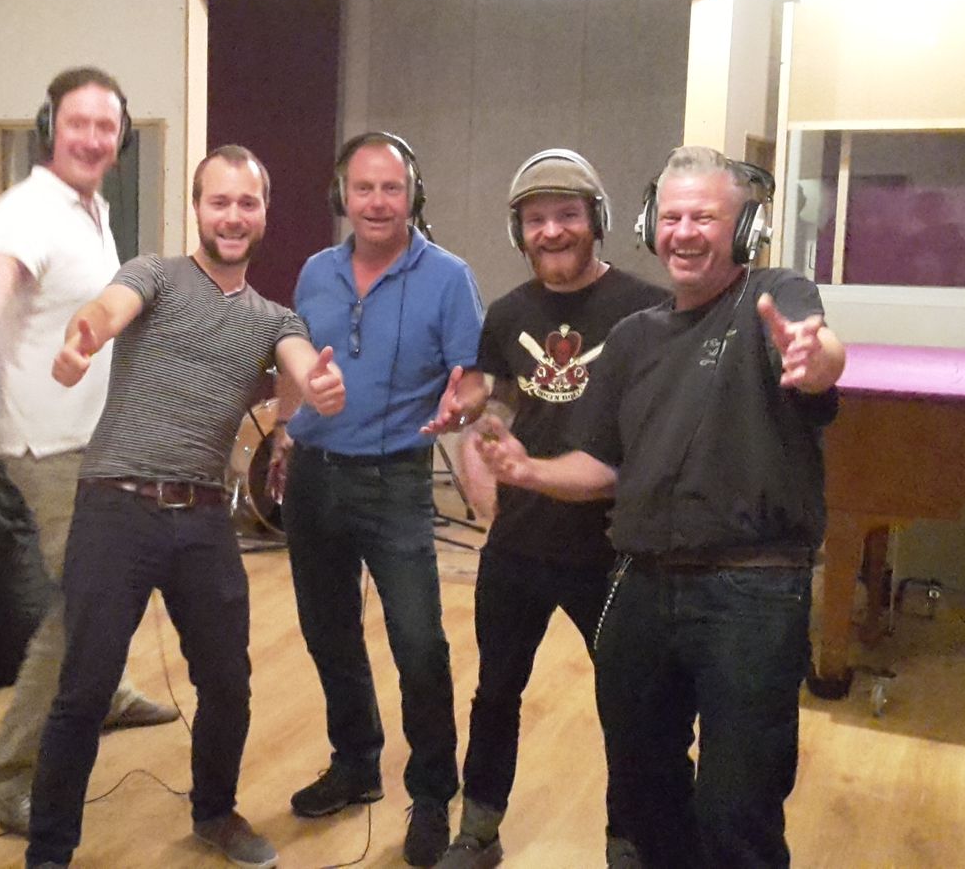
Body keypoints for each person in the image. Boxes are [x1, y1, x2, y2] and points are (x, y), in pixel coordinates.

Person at [473, 145, 845, 868]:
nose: (684, 232)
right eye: (671, 217)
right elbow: (603, 465)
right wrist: (528, 471)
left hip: (753, 592)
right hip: (640, 587)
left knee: (737, 808)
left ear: (744, 229)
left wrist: (815, 358)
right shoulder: (634, 338)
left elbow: (819, 353)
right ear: (648, 225)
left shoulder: (776, 295)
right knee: (646, 796)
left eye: (704, 217)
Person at [24, 145, 345, 869]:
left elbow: (300, 367)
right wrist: (84, 336)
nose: (232, 216)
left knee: (228, 683)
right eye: (218, 201)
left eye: (246, 203)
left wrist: (318, 390)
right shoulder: (155, 275)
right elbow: (107, 311)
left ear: (264, 214)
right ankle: (49, 851)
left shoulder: (275, 319)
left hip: (202, 516)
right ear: (197, 208)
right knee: (85, 687)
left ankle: (215, 813)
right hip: (116, 504)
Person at [0, 66, 176, 836]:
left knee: (114, 583)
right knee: (82, 607)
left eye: (107, 126)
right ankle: (8, 775)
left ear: (122, 137)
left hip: (98, 436)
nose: (93, 138)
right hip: (50, 447)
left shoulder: (91, 209)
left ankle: (106, 694)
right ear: (51, 128)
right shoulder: (28, 209)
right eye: (79, 123)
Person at [425, 150, 667, 869]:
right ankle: (478, 832)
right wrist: (473, 424)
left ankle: (629, 842)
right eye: (535, 219)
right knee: (495, 693)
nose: (552, 230)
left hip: (613, 549)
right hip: (520, 544)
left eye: (567, 214)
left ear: (597, 220)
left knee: (629, 706)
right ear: (518, 232)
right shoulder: (508, 314)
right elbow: (496, 400)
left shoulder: (648, 310)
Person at [268, 131, 484, 867]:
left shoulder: (449, 277)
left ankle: (432, 794)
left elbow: (473, 376)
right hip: (313, 476)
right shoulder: (315, 272)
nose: (378, 202)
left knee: (419, 644)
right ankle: (356, 763)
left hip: (395, 481)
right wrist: (283, 432)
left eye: (392, 188)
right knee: (328, 632)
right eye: (363, 188)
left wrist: (463, 403)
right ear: (342, 195)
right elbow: (295, 365)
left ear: (412, 194)